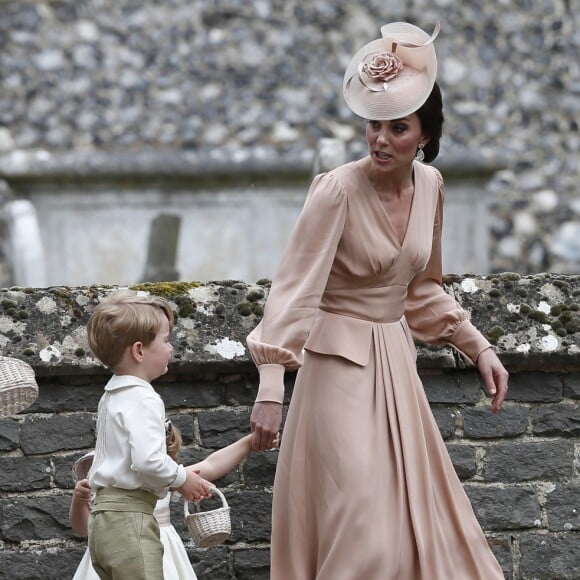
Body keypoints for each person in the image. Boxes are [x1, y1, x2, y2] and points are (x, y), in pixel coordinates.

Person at [247, 20, 508, 580]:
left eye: (398, 127)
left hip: (395, 363)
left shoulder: (433, 186)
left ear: (424, 135)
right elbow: (294, 289)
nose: (380, 139)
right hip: (336, 369)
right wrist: (271, 387)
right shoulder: (335, 189)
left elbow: (420, 288)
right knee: (359, 523)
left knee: (411, 527)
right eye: (373, 125)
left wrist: (476, 346)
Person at [85, 290, 213, 580]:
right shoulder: (144, 398)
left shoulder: (111, 395)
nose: (170, 348)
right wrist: (182, 479)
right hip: (131, 517)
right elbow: (148, 461)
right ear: (139, 351)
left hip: (102, 519)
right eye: (166, 340)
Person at [70, 424, 255, 580]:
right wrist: (79, 500)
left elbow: (211, 465)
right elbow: (84, 529)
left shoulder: (163, 478)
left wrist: (248, 443)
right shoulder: (104, 482)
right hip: (112, 550)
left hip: (161, 551)